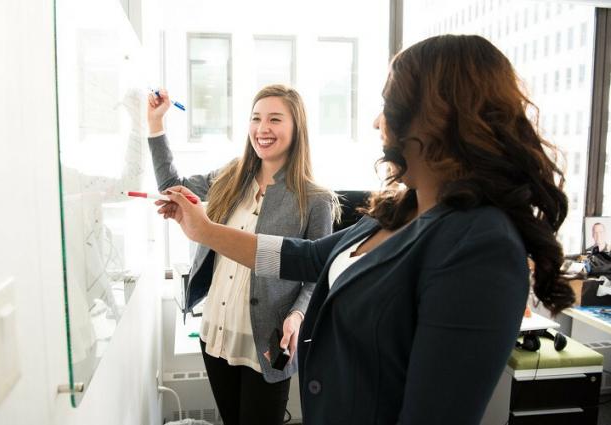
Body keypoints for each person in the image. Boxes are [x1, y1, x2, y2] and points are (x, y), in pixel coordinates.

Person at [155, 35, 575, 425]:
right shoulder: (396, 211)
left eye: (388, 103)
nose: (377, 122)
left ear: (436, 116)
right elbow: (309, 257)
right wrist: (204, 231)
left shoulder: (480, 244)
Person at [147, 84, 338, 425]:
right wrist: (155, 124)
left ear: (297, 129)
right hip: (216, 333)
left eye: (275, 119)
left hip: (266, 342)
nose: (263, 128)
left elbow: (316, 276)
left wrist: (296, 316)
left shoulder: (315, 199)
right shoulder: (229, 177)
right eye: (256, 118)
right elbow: (171, 185)